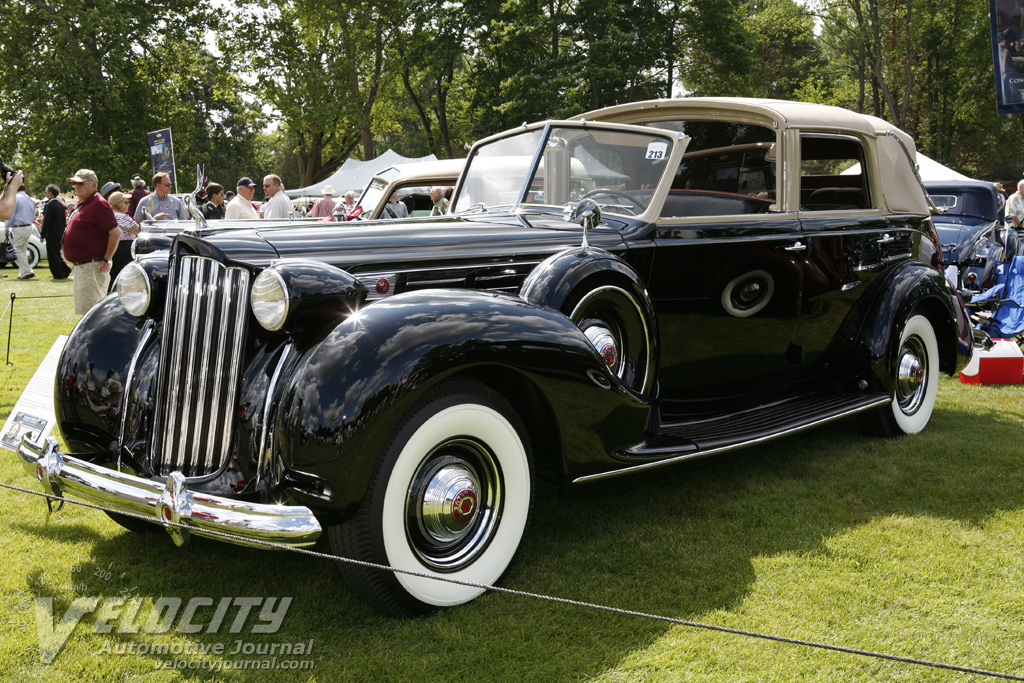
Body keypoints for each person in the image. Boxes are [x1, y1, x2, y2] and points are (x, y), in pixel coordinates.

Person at [62, 169, 121, 315]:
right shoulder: (86, 203)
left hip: (92, 267)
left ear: (94, 185)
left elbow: (115, 232)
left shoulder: (99, 204)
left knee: (92, 315)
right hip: (84, 267)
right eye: (75, 183)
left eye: (81, 183)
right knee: (88, 314)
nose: (77, 186)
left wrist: (107, 259)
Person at [105, 190, 140, 291]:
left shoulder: (109, 216)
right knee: (125, 276)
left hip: (111, 248)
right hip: (124, 248)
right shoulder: (122, 217)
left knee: (113, 276)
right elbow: (138, 230)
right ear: (119, 203)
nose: (129, 205)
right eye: (126, 202)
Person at [7, 183, 38, 279]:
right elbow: (34, 214)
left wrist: (7, 227)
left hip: (18, 227)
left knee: (17, 250)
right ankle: (23, 273)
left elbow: (11, 214)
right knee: (23, 250)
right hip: (29, 226)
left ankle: (27, 271)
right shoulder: (30, 200)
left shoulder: (15, 198)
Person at [40, 184, 71, 279]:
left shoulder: (50, 204)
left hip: (52, 232)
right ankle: (65, 269)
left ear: (50, 193)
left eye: (46, 192)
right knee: (56, 252)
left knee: (52, 254)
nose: (45, 193)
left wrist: (42, 234)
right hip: (60, 232)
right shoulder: (60, 204)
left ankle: (58, 274)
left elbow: (46, 221)